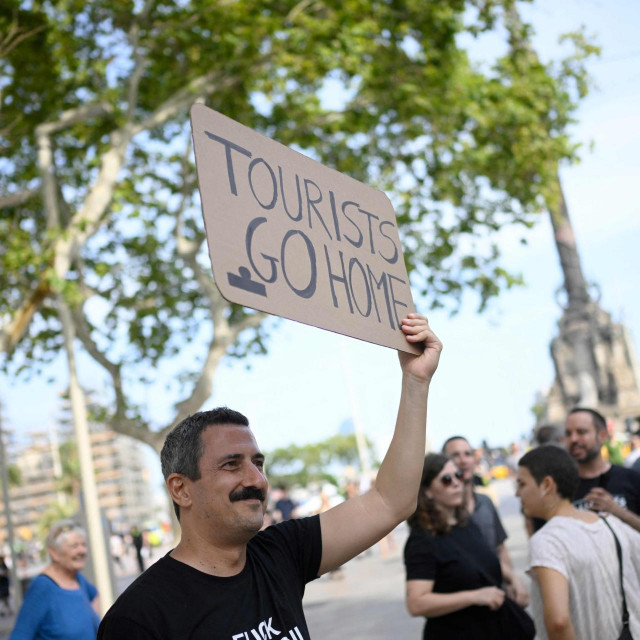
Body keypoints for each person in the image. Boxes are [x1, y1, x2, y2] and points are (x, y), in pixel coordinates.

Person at [98, 313, 442, 639]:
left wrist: (416, 381)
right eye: (231, 464)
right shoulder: (139, 618)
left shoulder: (281, 553)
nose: (256, 480)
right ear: (181, 489)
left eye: (258, 463)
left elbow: (390, 502)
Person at [516, 445, 640, 640]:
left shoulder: (547, 540)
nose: (517, 493)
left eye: (522, 484)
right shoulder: (610, 523)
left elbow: (559, 622)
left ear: (547, 484)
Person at [404, 453, 533, 640]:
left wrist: (513, 578)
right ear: (427, 491)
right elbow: (416, 603)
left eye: (458, 476)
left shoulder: (465, 523)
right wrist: (475, 596)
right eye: (446, 480)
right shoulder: (422, 541)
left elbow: (481, 560)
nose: (457, 483)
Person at [442, 436, 529, 606]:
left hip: (498, 594)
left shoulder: (486, 502)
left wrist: (511, 581)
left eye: (468, 454)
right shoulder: (441, 511)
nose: (463, 460)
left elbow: (500, 547)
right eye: (455, 455)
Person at [10, 519, 100, 640]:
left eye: (83, 545)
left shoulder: (77, 578)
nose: (82, 551)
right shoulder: (42, 587)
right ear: (54, 553)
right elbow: (19, 636)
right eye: (74, 546)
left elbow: (95, 595)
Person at [565, 407, 640, 532]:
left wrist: (616, 511)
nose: (574, 439)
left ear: (602, 435)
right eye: (568, 434)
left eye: (581, 432)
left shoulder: (632, 479)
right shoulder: (562, 489)